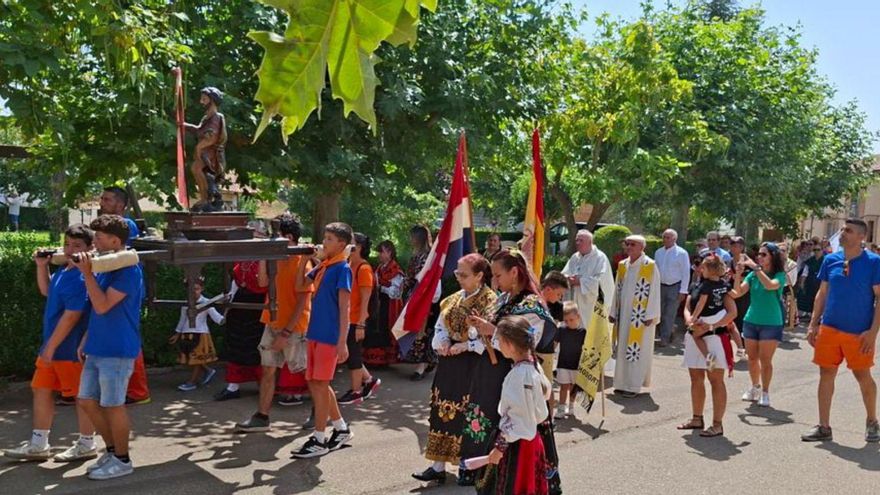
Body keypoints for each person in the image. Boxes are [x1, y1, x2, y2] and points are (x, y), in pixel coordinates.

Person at [464, 251, 560, 492]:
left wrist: (492, 331)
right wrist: (479, 327)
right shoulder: (504, 298)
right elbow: (491, 331)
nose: (495, 282)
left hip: (516, 377)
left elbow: (528, 342)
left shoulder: (532, 305)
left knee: (514, 437)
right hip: (495, 376)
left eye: (498, 275)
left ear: (514, 272)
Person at [3, 224, 97, 462]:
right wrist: (41, 267)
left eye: (76, 246)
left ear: (90, 248)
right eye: (67, 244)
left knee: (80, 396)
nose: (69, 249)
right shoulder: (66, 270)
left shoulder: (80, 277)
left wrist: (51, 347)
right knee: (41, 389)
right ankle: (38, 444)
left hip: (67, 348)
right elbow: (47, 291)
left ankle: (87, 443)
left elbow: (72, 315)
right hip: (52, 346)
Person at [412, 254, 497, 485]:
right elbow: (440, 326)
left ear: (479, 276)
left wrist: (466, 345)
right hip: (449, 365)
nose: (458, 277)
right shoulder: (451, 300)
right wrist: (442, 342)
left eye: (463, 274)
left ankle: (466, 465)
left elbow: (492, 338)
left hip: (473, 366)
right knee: (441, 411)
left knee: (467, 414)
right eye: (457, 273)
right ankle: (437, 465)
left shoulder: (491, 302)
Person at [72, 214, 144, 480]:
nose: (94, 243)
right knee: (87, 401)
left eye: (99, 238)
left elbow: (102, 304)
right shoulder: (106, 266)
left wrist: (87, 274)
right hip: (98, 345)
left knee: (113, 405)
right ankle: (113, 452)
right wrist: (86, 338)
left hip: (117, 347)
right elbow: (97, 310)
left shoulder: (128, 270)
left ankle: (123, 460)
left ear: (115, 240)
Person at [802, 218, 880, 443]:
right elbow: (822, 294)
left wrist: (873, 331)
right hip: (829, 329)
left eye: (849, 231)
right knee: (825, 374)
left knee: (862, 375)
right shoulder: (830, 260)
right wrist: (813, 324)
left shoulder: (873, 262)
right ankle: (824, 427)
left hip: (859, 332)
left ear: (861, 237)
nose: (843, 233)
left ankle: (872, 421)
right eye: (843, 230)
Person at [235, 214, 313, 432]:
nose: (271, 239)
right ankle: (262, 416)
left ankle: (321, 413)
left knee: (309, 374)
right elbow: (262, 282)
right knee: (268, 370)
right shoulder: (276, 259)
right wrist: (263, 255)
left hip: (294, 327)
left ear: (288, 237)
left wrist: (286, 333)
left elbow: (302, 303)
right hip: (272, 321)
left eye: (275, 235)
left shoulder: (303, 264)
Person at [292, 222, 354, 458]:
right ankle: (340, 428)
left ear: (341, 244)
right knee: (317, 384)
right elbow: (300, 285)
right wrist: (303, 259)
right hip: (314, 333)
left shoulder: (342, 269)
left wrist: (342, 342)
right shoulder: (324, 266)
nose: (324, 242)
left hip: (329, 337)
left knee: (319, 385)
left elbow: (344, 309)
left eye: (329, 239)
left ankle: (319, 438)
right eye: (324, 238)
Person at [475, 316, 552, 495]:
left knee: (513, 487)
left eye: (499, 341)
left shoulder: (519, 375)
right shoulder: (533, 365)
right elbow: (546, 392)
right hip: (532, 440)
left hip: (518, 444)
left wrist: (499, 448)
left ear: (509, 344)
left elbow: (518, 418)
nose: (498, 345)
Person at [98, 186, 149, 405]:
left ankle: (138, 391)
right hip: (113, 287)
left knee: (128, 339)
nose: (102, 203)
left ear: (120, 205)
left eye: (107, 200)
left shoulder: (125, 225)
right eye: (102, 198)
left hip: (124, 290)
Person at [678, 257, 738, 438]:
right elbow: (688, 305)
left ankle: (717, 424)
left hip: (714, 340)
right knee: (695, 378)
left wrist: (712, 326)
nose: (699, 267)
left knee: (715, 380)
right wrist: (690, 320)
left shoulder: (721, 287)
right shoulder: (697, 285)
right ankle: (697, 418)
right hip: (694, 335)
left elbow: (732, 312)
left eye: (703, 265)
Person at [730, 242, 787, 408]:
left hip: (771, 322)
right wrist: (738, 275)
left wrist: (755, 268)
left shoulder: (779, 274)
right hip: (751, 320)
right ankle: (755, 387)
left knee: (765, 360)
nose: (759, 257)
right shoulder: (754, 275)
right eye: (759, 255)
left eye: (764, 255)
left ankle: (765, 392)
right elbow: (737, 293)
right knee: (752, 358)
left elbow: (770, 285)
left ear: (772, 257)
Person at [610, 235, 662, 398]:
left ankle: (632, 386)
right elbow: (616, 289)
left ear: (642, 247)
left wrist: (650, 314)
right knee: (622, 347)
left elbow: (654, 291)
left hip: (640, 317)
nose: (629, 247)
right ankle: (620, 383)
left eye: (632, 244)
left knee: (635, 350)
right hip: (623, 314)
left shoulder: (650, 266)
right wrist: (613, 311)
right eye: (627, 244)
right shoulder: (622, 265)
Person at [214, 260, 268, 401]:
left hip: (259, 307)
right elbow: (234, 284)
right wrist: (227, 309)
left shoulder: (269, 258)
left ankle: (264, 385)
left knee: (259, 348)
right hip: (239, 308)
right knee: (236, 346)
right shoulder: (242, 258)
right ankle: (233, 387)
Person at [338, 233, 382, 405]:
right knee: (351, 353)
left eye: (351, 243)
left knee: (354, 355)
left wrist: (361, 325)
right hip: (348, 318)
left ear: (359, 248)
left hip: (357, 320)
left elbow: (365, 299)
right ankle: (369, 380)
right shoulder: (349, 265)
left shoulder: (363, 269)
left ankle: (356, 391)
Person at [686, 255, 740, 369]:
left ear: (710, 270)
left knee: (694, 335)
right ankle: (740, 348)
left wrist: (693, 318)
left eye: (704, 268)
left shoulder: (706, 285)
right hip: (720, 315)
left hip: (708, 316)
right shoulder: (724, 284)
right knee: (732, 327)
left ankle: (708, 356)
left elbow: (701, 303)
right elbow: (735, 294)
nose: (701, 270)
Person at [170, 276, 224, 391]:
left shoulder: (207, 303)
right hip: (186, 333)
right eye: (191, 289)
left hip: (200, 333)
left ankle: (192, 382)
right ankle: (208, 371)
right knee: (189, 359)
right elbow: (182, 319)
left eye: (197, 289)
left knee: (196, 360)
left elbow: (217, 318)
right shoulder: (185, 303)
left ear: (202, 289)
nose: (194, 292)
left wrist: (227, 315)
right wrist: (177, 334)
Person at [402, 225, 440, 381]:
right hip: (415, 296)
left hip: (425, 297)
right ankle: (426, 360)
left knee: (423, 330)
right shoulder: (416, 255)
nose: (410, 240)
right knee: (417, 329)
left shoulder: (428, 256)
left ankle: (422, 364)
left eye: (412, 236)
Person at [183, 86, 227, 211]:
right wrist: (184, 125)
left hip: (212, 155)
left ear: (211, 100)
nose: (201, 102)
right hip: (206, 153)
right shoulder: (206, 118)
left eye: (204, 99)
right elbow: (199, 131)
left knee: (197, 168)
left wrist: (198, 148)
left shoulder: (216, 117)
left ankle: (206, 198)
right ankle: (205, 198)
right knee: (196, 169)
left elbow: (211, 137)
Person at [561, 229, 614, 332]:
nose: (578, 243)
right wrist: (567, 278)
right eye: (577, 240)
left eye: (581, 240)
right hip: (575, 302)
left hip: (591, 305)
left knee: (590, 335)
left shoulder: (600, 258)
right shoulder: (575, 257)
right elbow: (564, 274)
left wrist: (580, 281)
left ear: (590, 242)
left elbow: (601, 281)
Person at [363, 240, 403, 366]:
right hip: (378, 303)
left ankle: (385, 359)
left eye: (381, 252)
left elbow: (395, 293)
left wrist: (381, 288)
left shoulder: (396, 270)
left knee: (385, 328)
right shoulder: (380, 268)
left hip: (390, 305)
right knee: (376, 327)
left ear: (389, 252)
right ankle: (374, 359)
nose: (379, 254)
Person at [654, 228, 691, 346]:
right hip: (660, 286)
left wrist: (683, 291)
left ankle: (665, 339)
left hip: (675, 286)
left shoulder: (682, 253)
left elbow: (686, 272)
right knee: (658, 312)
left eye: (668, 237)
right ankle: (665, 333)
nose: (665, 239)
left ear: (674, 239)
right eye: (664, 237)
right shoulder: (658, 252)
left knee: (670, 313)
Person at [536, 271, 569, 391]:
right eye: (559, 294)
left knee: (546, 387)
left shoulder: (558, 307)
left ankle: (549, 410)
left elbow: (556, 329)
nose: (560, 298)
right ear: (548, 289)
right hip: (530, 350)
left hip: (546, 352)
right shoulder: (532, 303)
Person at [554, 302, 585, 420]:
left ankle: (571, 407)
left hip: (576, 364)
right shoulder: (561, 330)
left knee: (573, 387)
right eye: (566, 320)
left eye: (571, 320)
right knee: (563, 386)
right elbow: (554, 344)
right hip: (563, 364)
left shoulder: (583, 332)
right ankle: (561, 408)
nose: (568, 323)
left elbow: (587, 349)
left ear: (578, 317)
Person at [797, 241, 824, 320]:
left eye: (818, 250)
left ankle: (819, 316)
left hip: (821, 283)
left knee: (820, 299)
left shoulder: (826, 260)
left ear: (822, 250)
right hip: (810, 282)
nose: (816, 252)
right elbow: (805, 272)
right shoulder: (810, 260)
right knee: (808, 297)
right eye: (815, 250)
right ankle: (809, 314)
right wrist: (802, 283)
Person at [779, 243, 799, 329]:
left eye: (783, 250)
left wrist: (784, 272)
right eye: (779, 250)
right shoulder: (773, 262)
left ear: (787, 252)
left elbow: (792, 282)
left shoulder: (792, 264)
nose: (781, 252)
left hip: (785, 288)